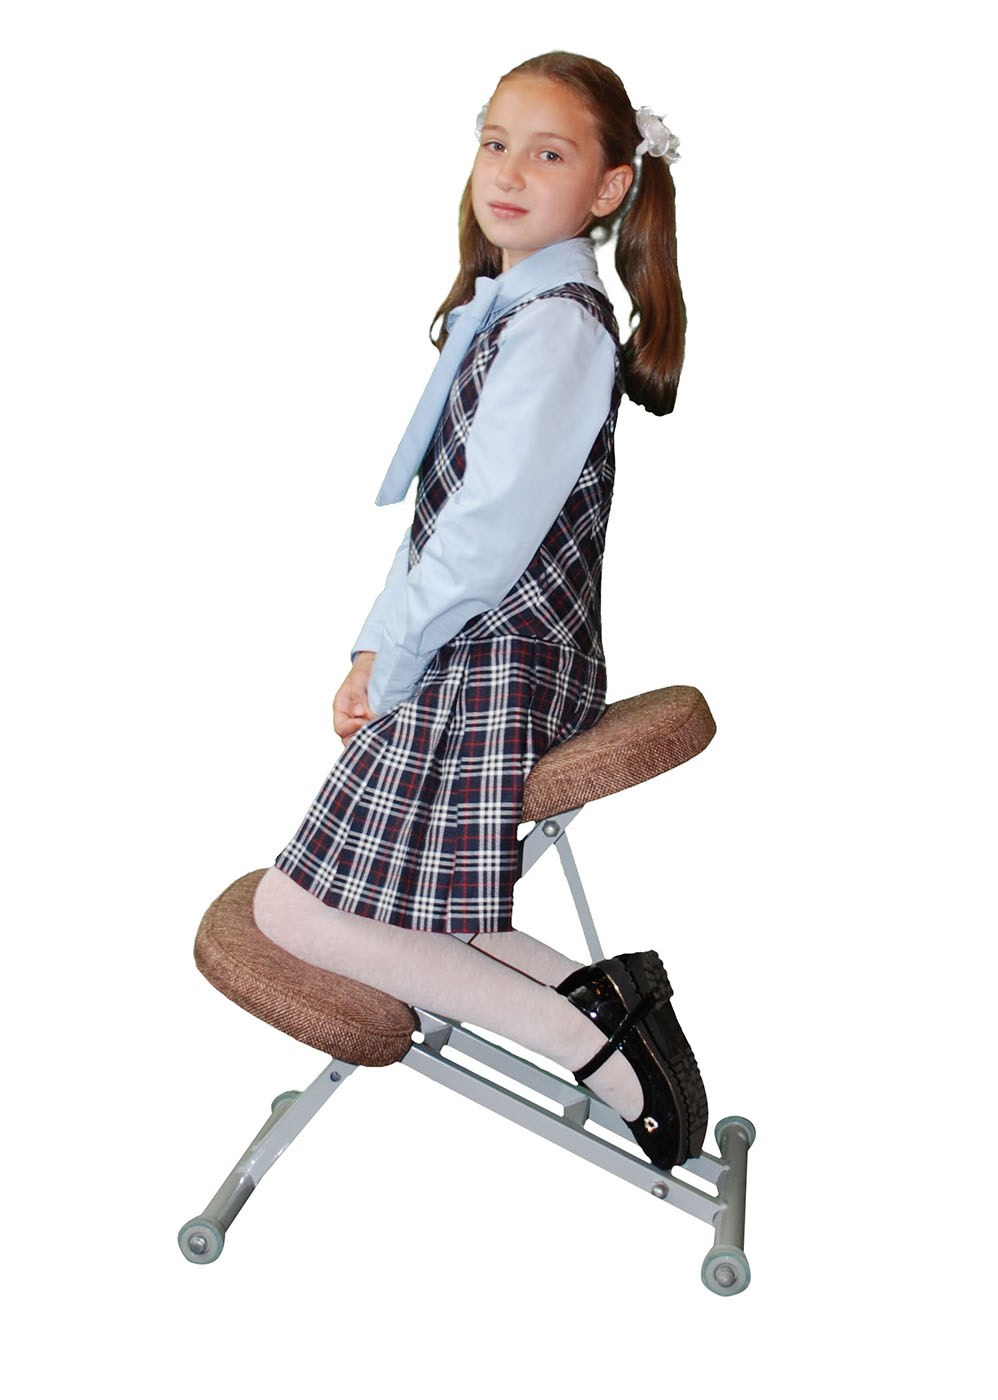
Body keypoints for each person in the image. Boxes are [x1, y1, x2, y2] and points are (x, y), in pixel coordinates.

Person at [253, 51, 708, 1168]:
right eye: (494, 142)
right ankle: (610, 1012)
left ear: (608, 188)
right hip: (474, 646)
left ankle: (601, 1048)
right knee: (364, 902)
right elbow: (436, 518)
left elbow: (487, 536)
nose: (506, 171)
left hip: (502, 657)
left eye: (547, 153)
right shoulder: (513, 310)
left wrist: (400, 660)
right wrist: (374, 645)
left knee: (296, 911)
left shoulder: (557, 325)